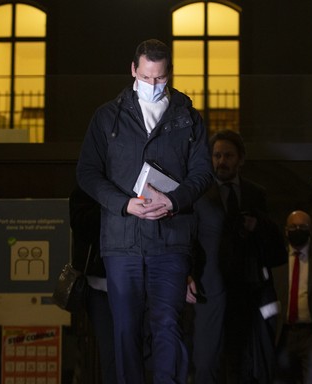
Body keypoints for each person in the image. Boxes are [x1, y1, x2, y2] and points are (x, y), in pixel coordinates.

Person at [76, 39, 213, 383]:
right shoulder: (108, 116)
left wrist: (175, 200)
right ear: (133, 70)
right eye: (147, 77)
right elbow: (87, 173)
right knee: (125, 330)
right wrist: (124, 204)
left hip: (171, 241)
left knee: (168, 325)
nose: (153, 85)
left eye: (160, 79)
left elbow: (202, 173)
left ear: (170, 74)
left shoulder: (188, 118)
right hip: (123, 243)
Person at [187, 129, 286, 383]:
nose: (222, 161)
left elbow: (276, 248)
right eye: (217, 155)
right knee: (208, 361)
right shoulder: (199, 195)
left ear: (240, 159)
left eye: (228, 156)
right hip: (209, 290)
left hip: (248, 290)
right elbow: (189, 240)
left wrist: (258, 225)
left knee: (246, 362)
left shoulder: (256, 193)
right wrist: (187, 275)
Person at [68, 186, 116, 384]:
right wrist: (116, 206)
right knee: (109, 353)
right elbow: (82, 225)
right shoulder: (86, 188)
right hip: (98, 284)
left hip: (131, 282)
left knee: (134, 351)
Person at [272, 210, 312, 384]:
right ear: (286, 230)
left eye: (302, 227)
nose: (297, 230)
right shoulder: (277, 262)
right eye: (293, 227)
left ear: (310, 230)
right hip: (284, 334)